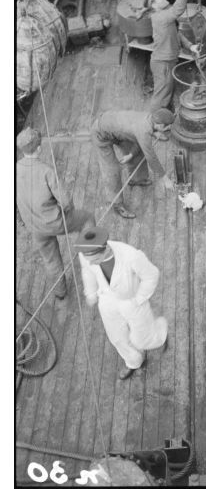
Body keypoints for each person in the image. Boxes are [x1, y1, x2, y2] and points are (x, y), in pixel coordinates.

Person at [75, 226, 168, 380]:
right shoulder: (85, 255)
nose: (91, 263)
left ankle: (160, 335)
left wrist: (139, 298)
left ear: (105, 251)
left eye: (95, 260)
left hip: (132, 300)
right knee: (117, 337)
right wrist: (91, 292)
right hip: (107, 300)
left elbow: (152, 275)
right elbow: (87, 270)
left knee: (142, 336)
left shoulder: (131, 256)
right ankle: (134, 362)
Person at [16, 127, 96, 300]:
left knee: (51, 259)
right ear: (38, 148)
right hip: (55, 221)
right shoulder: (46, 171)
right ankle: (92, 261)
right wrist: (68, 212)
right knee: (87, 218)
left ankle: (60, 292)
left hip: (34, 227)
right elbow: (65, 202)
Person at [91, 108, 175, 219]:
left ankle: (137, 179)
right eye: (166, 128)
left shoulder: (149, 118)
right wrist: (165, 179)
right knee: (112, 170)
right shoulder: (143, 130)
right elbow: (151, 157)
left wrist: (130, 154)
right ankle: (117, 204)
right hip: (100, 133)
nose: (166, 131)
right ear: (159, 125)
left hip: (118, 131)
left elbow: (138, 139)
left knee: (137, 153)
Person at [149, 0, 201, 116]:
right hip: (162, 63)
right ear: (154, 5)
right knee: (161, 95)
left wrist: (191, 46)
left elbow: (176, 34)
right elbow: (179, 8)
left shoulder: (163, 17)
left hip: (166, 61)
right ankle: (154, 121)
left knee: (167, 91)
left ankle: (166, 117)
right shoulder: (160, 18)